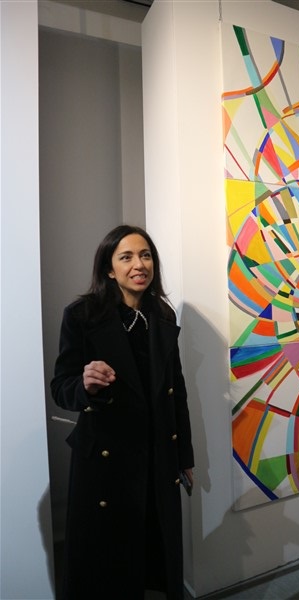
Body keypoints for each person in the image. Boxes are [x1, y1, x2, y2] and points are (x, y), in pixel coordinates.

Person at [51, 224, 194, 600]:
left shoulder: (162, 315)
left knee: (150, 552)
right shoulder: (82, 315)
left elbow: (175, 391)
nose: (139, 265)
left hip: (156, 455)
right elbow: (60, 387)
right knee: (106, 561)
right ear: (109, 269)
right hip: (105, 458)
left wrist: (184, 456)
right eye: (126, 257)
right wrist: (85, 385)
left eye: (145, 256)